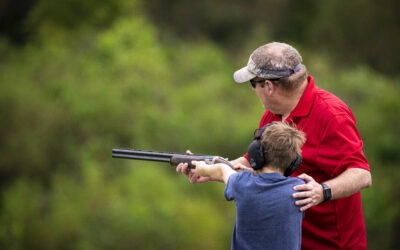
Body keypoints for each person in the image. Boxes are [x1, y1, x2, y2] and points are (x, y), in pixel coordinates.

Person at [176, 42, 372, 249]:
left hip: (332, 244)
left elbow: (362, 174)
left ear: (269, 86)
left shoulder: (332, 115)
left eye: (253, 84)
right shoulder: (272, 114)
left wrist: (323, 191)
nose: (253, 90)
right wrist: (208, 169)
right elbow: (258, 163)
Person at [191, 122, 306, 250]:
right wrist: (251, 172)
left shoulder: (241, 183)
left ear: (256, 153)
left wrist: (201, 167)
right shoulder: (299, 189)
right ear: (293, 162)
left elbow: (222, 169)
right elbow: (272, 185)